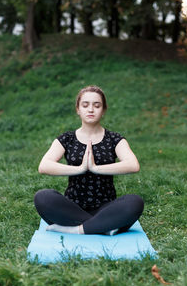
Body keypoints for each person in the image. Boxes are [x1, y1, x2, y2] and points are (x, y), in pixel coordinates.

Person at [34, 85, 144, 235]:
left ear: (103, 110)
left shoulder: (114, 139)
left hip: (106, 208)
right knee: (43, 197)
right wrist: (80, 169)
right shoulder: (67, 138)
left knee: (135, 202)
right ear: (78, 110)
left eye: (96, 105)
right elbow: (44, 166)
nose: (91, 109)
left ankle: (78, 229)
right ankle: (102, 227)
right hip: (72, 208)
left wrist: (95, 168)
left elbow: (133, 165)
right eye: (85, 105)